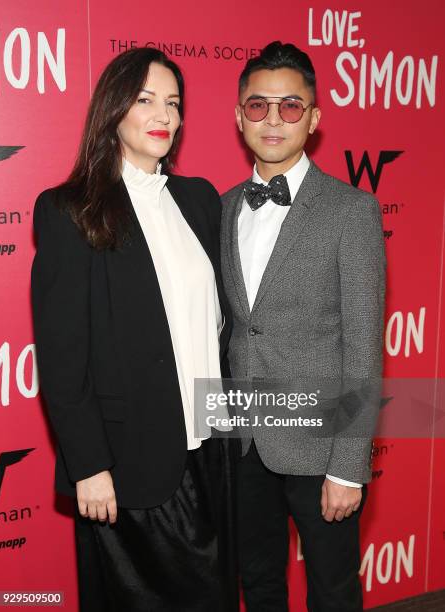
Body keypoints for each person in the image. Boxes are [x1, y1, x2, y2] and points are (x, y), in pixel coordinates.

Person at [31, 47, 238, 612]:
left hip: (210, 446)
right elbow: (63, 355)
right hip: (128, 464)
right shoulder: (72, 210)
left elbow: (217, 326)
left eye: (173, 103)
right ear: (114, 109)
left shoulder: (199, 199)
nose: (163, 115)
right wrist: (88, 466)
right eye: (145, 99)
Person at [220, 41, 385, 611]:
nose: (273, 119)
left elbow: (364, 348)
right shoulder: (220, 207)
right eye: (258, 105)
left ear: (313, 120)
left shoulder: (351, 211)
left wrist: (349, 466)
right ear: (239, 116)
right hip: (239, 440)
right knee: (258, 582)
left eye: (290, 106)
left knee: (333, 591)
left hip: (320, 444)